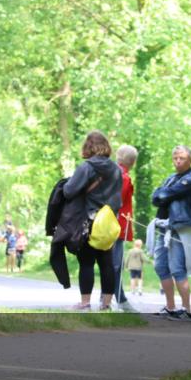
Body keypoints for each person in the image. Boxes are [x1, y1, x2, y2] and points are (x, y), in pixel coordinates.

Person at [62, 131, 123, 311]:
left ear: (88, 146)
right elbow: (118, 198)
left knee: (87, 262)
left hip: (88, 220)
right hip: (109, 222)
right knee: (107, 263)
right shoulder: (115, 169)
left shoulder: (86, 167)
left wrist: (66, 184)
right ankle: (106, 304)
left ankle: (85, 302)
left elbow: (69, 191)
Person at [151, 145, 191, 322]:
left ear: (190, 160)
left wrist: (162, 194)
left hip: (180, 227)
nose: (178, 161)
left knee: (177, 269)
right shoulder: (171, 178)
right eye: (176, 158)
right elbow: (156, 197)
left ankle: (186, 310)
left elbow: (166, 194)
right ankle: (170, 307)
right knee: (160, 266)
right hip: (163, 226)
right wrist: (161, 194)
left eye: (182, 158)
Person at [112, 145, 137, 311]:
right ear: (133, 162)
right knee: (115, 263)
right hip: (116, 225)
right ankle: (119, 299)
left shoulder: (112, 174)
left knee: (112, 262)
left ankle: (110, 298)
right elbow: (117, 202)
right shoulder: (124, 178)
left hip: (111, 224)